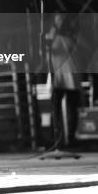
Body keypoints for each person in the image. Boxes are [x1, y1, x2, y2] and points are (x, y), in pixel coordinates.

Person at [46, 11, 83, 149]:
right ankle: (57, 139)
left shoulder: (71, 35)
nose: (60, 22)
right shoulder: (50, 36)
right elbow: (47, 51)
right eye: (58, 19)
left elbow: (77, 48)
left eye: (62, 19)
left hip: (71, 73)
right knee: (55, 108)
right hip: (57, 75)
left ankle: (71, 139)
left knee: (72, 108)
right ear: (54, 21)